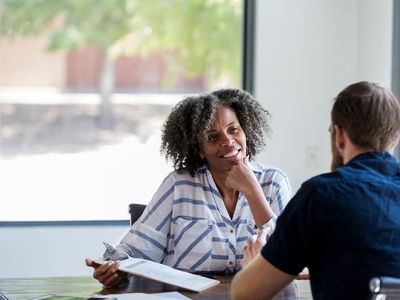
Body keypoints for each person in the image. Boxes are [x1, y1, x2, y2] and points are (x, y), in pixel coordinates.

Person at [86, 88, 292, 287]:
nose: (228, 141)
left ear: (246, 131)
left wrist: (252, 190)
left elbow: (288, 256)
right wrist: (114, 269)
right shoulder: (179, 185)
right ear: (199, 149)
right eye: (213, 137)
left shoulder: (273, 183)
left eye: (233, 130)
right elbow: (135, 250)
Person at [231, 81, 400, 300]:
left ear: (339, 136)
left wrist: (255, 264)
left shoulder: (320, 195)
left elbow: (244, 293)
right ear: (395, 136)